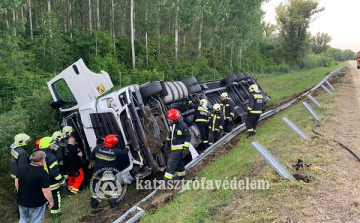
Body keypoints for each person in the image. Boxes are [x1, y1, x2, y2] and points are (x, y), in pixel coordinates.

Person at [89, 134, 129, 209]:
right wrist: (128, 146)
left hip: (98, 172)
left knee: (95, 187)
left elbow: (91, 157)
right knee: (112, 187)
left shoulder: (98, 148)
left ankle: (94, 204)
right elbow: (124, 152)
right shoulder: (115, 151)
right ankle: (113, 203)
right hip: (108, 173)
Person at [15, 150, 54, 223]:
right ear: (42, 160)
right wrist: (51, 201)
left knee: (23, 219)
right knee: (36, 221)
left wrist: (19, 192)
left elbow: (16, 181)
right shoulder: (42, 173)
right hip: (36, 203)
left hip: (22, 201)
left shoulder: (23, 168)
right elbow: (46, 190)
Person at [38, 137, 65, 217]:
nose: (54, 145)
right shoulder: (51, 157)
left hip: (40, 181)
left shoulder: (35, 155)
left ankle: (45, 209)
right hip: (51, 182)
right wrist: (62, 181)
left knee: (45, 196)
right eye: (52, 143)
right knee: (55, 196)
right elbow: (54, 172)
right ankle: (55, 214)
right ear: (48, 146)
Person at [164, 108, 191, 181]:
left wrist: (185, 147)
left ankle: (167, 179)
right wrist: (168, 142)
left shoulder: (182, 125)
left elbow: (188, 136)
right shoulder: (172, 124)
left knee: (171, 161)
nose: (169, 120)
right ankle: (182, 175)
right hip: (175, 147)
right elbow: (170, 134)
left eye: (170, 119)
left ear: (175, 118)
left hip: (180, 148)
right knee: (179, 162)